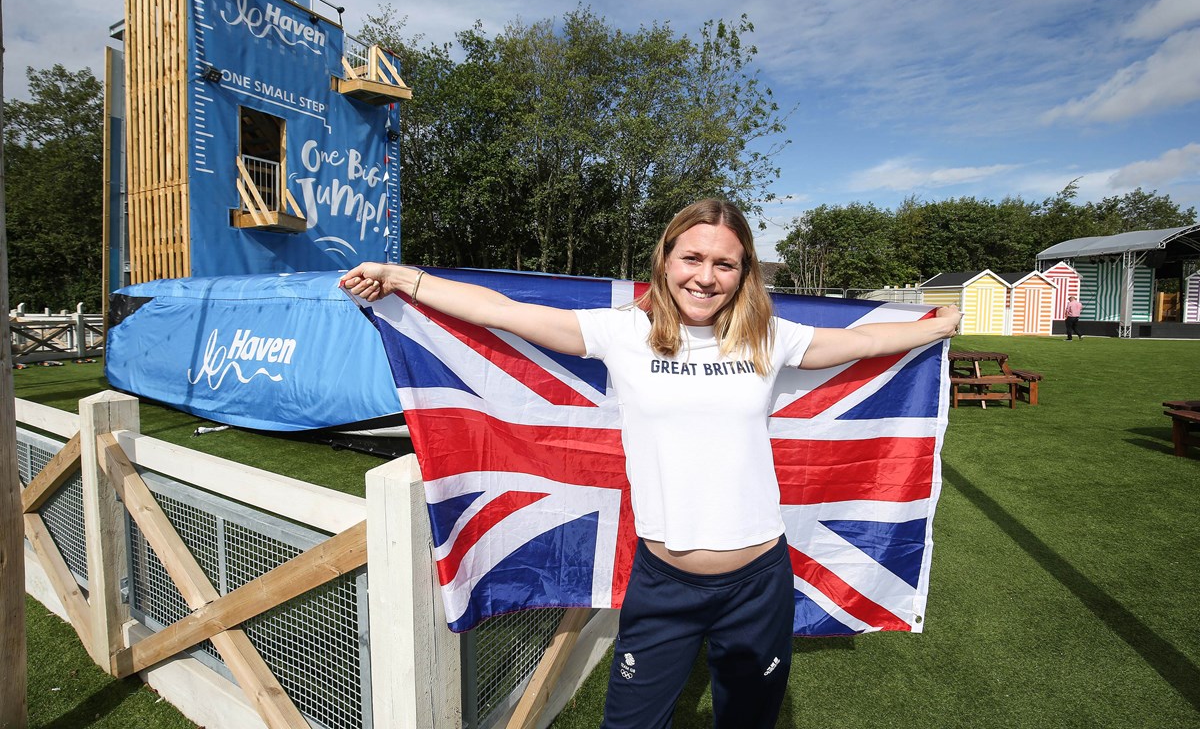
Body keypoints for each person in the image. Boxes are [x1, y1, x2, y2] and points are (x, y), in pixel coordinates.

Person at [340, 199, 960, 729]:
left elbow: (861, 342)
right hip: (664, 582)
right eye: (693, 258)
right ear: (665, 259)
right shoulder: (624, 334)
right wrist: (405, 279)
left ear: (743, 273)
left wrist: (936, 327)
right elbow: (505, 313)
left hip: (759, 579)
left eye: (725, 263)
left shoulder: (768, 337)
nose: (706, 277)